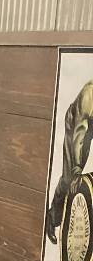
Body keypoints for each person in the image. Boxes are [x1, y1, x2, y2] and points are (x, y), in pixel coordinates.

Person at [45, 79, 93, 244]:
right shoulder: (89, 94)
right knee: (70, 179)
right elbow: (79, 133)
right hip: (77, 124)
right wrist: (77, 168)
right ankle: (53, 218)